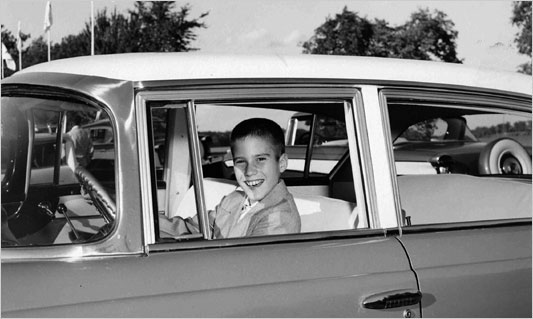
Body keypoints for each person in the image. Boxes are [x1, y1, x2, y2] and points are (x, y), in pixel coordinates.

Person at [159, 117, 301, 238]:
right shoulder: (234, 199)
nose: (249, 171)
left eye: (260, 159)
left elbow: (247, 266)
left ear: (281, 163)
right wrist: (147, 222)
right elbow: (194, 229)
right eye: (240, 161)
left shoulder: (280, 217)